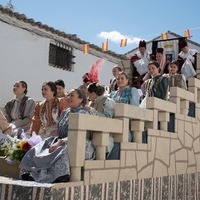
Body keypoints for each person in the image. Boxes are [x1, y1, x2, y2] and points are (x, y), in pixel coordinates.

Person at [20, 89, 95, 183]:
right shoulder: (66, 112)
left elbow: (81, 135)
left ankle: (61, 175)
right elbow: (61, 128)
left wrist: (60, 142)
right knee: (41, 146)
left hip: (80, 143)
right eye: (68, 95)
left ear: (80, 99)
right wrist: (56, 134)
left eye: (72, 95)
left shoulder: (84, 113)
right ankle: (32, 173)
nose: (68, 98)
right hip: (63, 139)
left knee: (62, 150)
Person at [86, 82, 116, 159]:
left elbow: (107, 118)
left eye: (88, 94)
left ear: (93, 93)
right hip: (92, 139)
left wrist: (91, 110)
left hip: (105, 139)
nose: (88, 96)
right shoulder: (91, 103)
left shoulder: (107, 101)